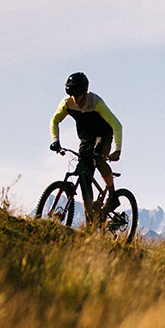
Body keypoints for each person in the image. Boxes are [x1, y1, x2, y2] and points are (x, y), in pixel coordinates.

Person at [50, 72, 123, 224]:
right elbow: (55, 120)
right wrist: (55, 140)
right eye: (71, 92)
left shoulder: (95, 102)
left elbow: (116, 124)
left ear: (85, 91)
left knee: (98, 158)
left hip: (103, 134)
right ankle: (92, 220)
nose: (75, 97)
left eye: (77, 92)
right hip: (86, 139)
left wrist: (117, 149)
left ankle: (112, 195)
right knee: (84, 176)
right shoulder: (67, 104)